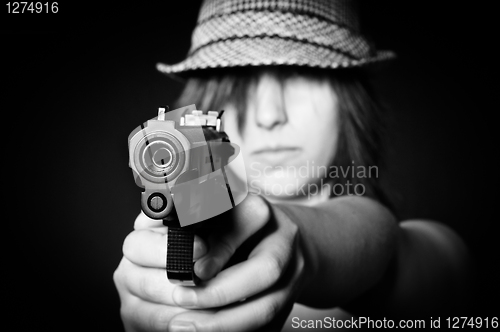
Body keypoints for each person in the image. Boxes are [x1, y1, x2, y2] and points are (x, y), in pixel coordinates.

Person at [113, 0, 471, 331]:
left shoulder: (436, 256)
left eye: (300, 73)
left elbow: (384, 247)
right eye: (239, 85)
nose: (270, 115)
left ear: (350, 100)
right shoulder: (192, 210)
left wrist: (300, 243)